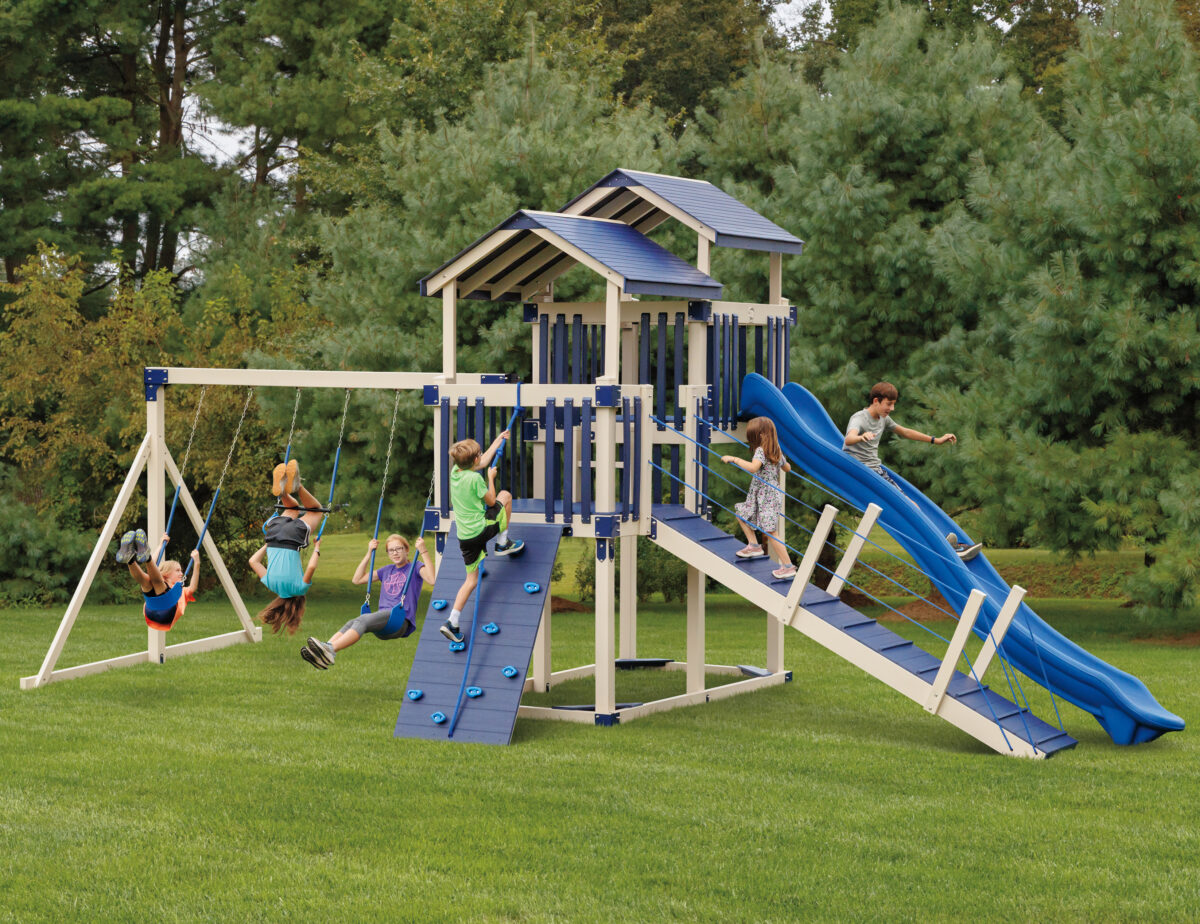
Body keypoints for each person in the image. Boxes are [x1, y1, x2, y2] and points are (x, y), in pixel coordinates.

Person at [843, 381, 981, 560]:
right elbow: (848, 439)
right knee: (910, 506)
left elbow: (905, 432)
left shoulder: (883, 419)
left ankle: (942, 544)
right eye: (889, 404)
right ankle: (943, 547)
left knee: (910, 507)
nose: (892, 408)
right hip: (866, 473)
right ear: (876, 401)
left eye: (893, 404)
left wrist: (936, 440)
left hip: (876, 471)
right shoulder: (859, 418)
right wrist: (861, 437)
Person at [302, 533, 436, 669]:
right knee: (352, 622)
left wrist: (423, 551)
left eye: (399, 549)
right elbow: (357, 579)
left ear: (407, 550)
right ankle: (322, 652)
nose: (395, 553)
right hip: (383, 622)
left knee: (362, 620)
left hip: (400, 620)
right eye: (391, 550)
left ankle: (330, 649)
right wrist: (369, 553)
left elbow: (432, 580)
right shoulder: (386, 570)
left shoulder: (415, 567)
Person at [439, 432, 524, 643]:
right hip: (481, 530)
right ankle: (503, 543)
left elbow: (483, 461)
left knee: (471, 580)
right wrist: (491, 478)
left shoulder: (456, 472)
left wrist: (499, 439)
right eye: (478, 454)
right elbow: (491, 501)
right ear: (474, 459)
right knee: (505, 496)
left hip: (465, 537)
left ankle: (452, 621)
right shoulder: (476, 479)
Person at [248, 459, 325, 635]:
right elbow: (253, 561)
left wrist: (317, 548)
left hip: (292, 539)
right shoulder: (271, 585)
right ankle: (283, 491)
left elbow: (311, 567)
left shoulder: (299, 589)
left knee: (315, 510)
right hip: (273, 533)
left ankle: (297, 486)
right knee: (293, 509)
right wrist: (268, 544)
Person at [722, 417, 796, 580]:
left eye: (753, 436)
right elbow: (787, 468)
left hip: (765, 494)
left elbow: (753, 467)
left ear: (761, 435)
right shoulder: (776, 449)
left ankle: (788, 566)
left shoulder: (761, 451)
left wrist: (734, 459)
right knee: (742, 513)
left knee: (771, 531)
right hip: (766, 492)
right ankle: (754, 545)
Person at [116, 528, 200, 630]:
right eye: (177, 570)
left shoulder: (182, 591)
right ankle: (129, 559)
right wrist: (160, 546)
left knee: (149, 582)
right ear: (166, 573)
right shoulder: (170, 585)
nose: (181, 573)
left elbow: (193, 587)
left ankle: (133, 560)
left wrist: (197, 563)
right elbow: (154, 567)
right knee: (148, 581)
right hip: (158, 609)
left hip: (161, 612)